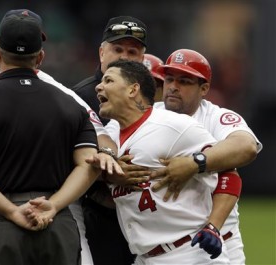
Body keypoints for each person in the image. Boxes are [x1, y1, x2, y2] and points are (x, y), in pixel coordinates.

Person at [0, 12, 122, 265]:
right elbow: (91, 161)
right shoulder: (69, 101)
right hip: (56, 214)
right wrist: (54, 205)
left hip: (1, 213)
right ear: (41, 56)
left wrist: (11, 210)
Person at [106, 49, 262, 263]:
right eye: (169, 79)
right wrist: (111, 167)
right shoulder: (151, 114)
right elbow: (105, 138)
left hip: (217, 238)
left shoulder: (215, 117)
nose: (173, 87)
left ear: (204, 88)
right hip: (150, 248)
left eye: (185, 81)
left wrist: (195, 163)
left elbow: (245, 148)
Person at [91, 59, 230, 264]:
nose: (99, 86)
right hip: (144, 257)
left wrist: (213, 226)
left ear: (133, 90)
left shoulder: (173, 125)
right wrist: (107, 174)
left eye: (109, 80)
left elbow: (229, 172)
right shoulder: (111, 136)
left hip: (187, 252)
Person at [72, 15, 147, 265]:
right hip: (102, 213)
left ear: (143, 58)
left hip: (146, 213)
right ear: (102, 52)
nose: (124, 56)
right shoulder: (79, 97)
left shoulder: (151, 96)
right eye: (117, 49)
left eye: (132, 51)